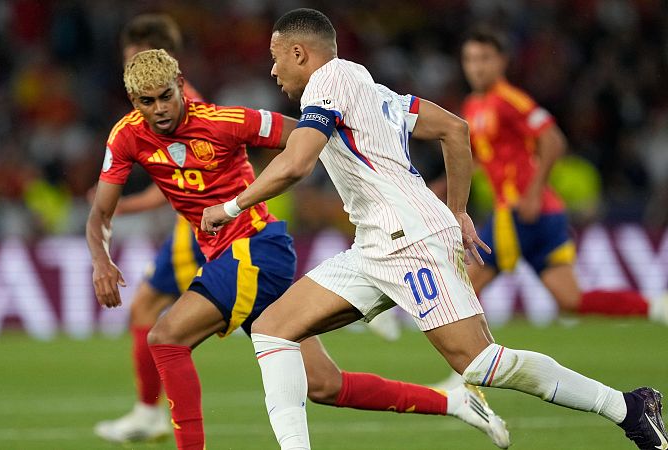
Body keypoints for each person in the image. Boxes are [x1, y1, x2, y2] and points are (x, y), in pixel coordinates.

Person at [200, 9, 666, 450]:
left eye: (276, 57)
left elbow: (297, 163)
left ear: (300, 52)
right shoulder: (370, 88)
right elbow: (454, 129)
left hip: (411, 241)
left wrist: (232, 205)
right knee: (273, 329)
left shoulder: (328, 82)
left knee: (479, 363)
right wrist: (457, 211)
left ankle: (627, 406)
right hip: (375, 245)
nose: (273, 70)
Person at [88, 49, 510, 450]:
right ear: (134, 102)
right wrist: (101, 260)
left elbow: (311, 135)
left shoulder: (226, 121)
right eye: (147, 102)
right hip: (228, 258)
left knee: (166, 339)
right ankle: (454, 402)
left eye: (166, 96)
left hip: (255, 248)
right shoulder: (126, 136)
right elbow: (100, 213)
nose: (160, 108)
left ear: (181, 84)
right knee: (324, 385)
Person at [458, 27, 667, 324]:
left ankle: (470, 354)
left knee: (466, 286)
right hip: (546, 213)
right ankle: (656, 307)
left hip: (518, 210)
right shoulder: (472, 106)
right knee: (571, 299)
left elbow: (553, 140)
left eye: (484, 58)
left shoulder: (509, 100)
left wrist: (532, 194)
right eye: (470, 59)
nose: (476, 67)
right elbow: (479, 159)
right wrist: (441, 185)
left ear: (502, 61)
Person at [91, 14, 206, 443]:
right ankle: (148, 412)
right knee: (146, 311)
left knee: (158, 321)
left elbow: (185, 180)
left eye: (132, 59)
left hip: (201, 228)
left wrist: (124, 206)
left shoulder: (180, 105)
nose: (129, 69)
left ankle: (150, 413)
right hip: (196, 223)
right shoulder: (166, 104)